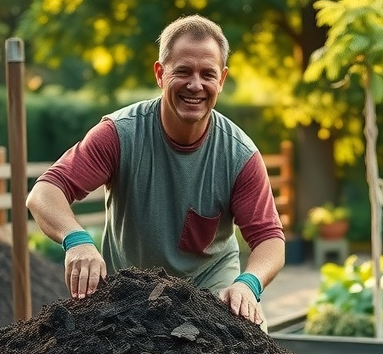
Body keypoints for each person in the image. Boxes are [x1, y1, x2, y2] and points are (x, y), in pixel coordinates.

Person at [26, 14, 285, 327]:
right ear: (161, 74)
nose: (196, 85)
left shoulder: (239, 155)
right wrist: (76, 240)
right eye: (183, 71)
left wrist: (248, 284)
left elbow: (269, 238)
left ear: (222, 79)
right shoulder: (120, 134)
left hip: (211, 296)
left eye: (208, 74)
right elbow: (45, 191)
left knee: (253, 342)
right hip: (130, 294)